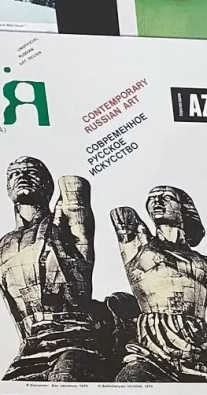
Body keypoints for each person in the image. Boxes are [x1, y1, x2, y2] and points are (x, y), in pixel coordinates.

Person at [0, 158, 119, 381]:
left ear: (48, 185)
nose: (22, 177)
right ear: (7, 189)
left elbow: (75, 195)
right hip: (29, 350)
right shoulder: (4, 244)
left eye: (31, 172)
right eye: (14, 174)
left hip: (75, 342)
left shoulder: (61, 224)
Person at [110, 185, 207, 383]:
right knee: (132, 378)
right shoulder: (140, 246)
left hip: (201, 341)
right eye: (152, 198)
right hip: (153, 342)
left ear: (184, 209)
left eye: (167, 197)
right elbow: (121, 215)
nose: (156, 201)